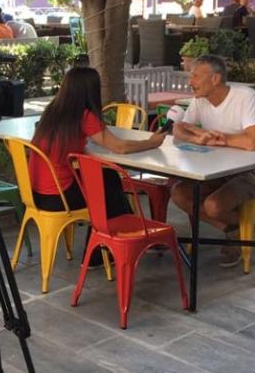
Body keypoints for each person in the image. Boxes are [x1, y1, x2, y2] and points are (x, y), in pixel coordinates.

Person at [29, 67, 165, 266]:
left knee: (105, 179)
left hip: (37, 194)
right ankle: (109, 246)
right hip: (59, 197)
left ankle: (110, 245)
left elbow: (70, 145)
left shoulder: (53, 111)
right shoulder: (84, 116)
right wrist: (152, 143)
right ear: (90, 90)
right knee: (109, 181)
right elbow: (119, 147)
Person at [169, 55, 255, 268]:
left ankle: (240, 231)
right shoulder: (199, 100)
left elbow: (250, 143)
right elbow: (178, 129)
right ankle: (235, 229)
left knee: (212, 206)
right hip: (216, 169)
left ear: (215, 78)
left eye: (195, 76)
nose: (190, 82)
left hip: (253, 171)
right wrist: (197, 138)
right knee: (179, 194)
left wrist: (218, 139)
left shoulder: (245, 96)